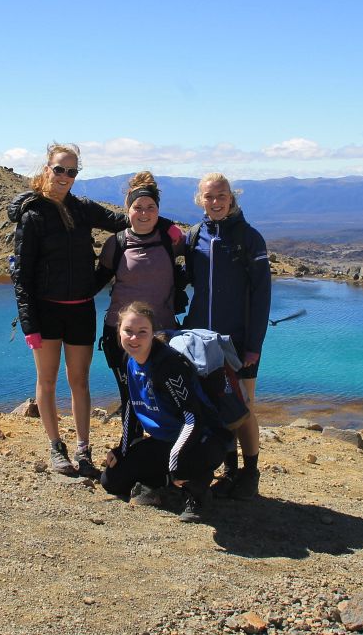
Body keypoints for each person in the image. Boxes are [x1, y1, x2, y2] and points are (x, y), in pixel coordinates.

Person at [7, 143, 127, 477]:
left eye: (72, 171)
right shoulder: (32, 216)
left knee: (80, 382)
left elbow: (122, 222)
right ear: (47, 168)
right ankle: (55, 447)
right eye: (59, 169)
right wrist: (29, 323)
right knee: (46, 381)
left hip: (81, 310)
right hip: (45, 312)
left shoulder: (83, 209)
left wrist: (158, 221)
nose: (64, 176)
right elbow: (22, 276)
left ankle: (83, 450)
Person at [100, 301, 231, 522]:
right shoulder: (129, 361)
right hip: (167, 439)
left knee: (182, 467)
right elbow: (133, 406)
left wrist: (175, 460)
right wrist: (122, 451)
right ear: (118, 332)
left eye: (142, 332)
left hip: (204, 439)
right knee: (112, 481)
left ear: (153, 333)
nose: (134, 338)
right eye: (128, 331)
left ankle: (197, 494)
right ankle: (169, 481)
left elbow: (193, 419)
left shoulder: (167, 366)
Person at [183, 172, 271, 500]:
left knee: (243, 407)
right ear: (200, 200)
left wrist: (254, 346)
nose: (216, 202)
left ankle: (250, 473)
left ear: (232, 197)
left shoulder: (250, 239)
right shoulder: (194, 237)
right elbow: (186, 281)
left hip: (238, 342)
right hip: (200, 341)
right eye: (209, 197)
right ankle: (229, 470)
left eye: (221, 196)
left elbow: (262, 296)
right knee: (214, 406)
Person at [95, 171, 185, 388]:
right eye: (138, 207)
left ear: (158, 210)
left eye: (150, 207)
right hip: (122, 335)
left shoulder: (171, 241)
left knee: (166, 398)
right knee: (130, 398)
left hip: (163, 333)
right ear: (128, 210)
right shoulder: (115, 244)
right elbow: (94, 284)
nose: (144, 213)